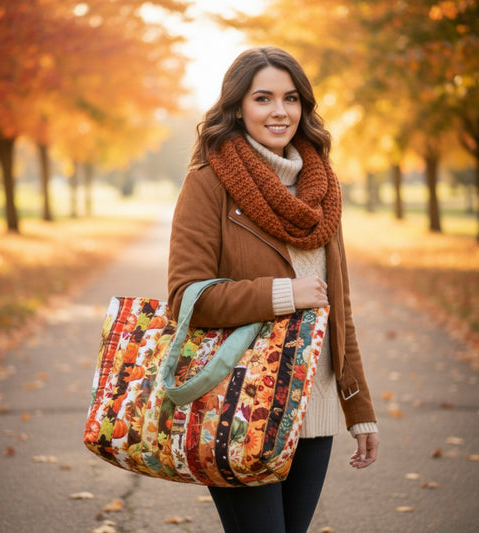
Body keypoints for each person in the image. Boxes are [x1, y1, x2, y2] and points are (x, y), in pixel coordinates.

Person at [167, 46, 379, 533]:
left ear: (304, 107)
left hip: (316, 404)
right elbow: (186, 296)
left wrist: (359, 410)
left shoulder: (322, 190)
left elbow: (337, 308)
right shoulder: (207, 183)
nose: (279, 111)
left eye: (291, 98)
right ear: (237, 106)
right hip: (240, 404)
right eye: (262, 98)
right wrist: (284, 294)